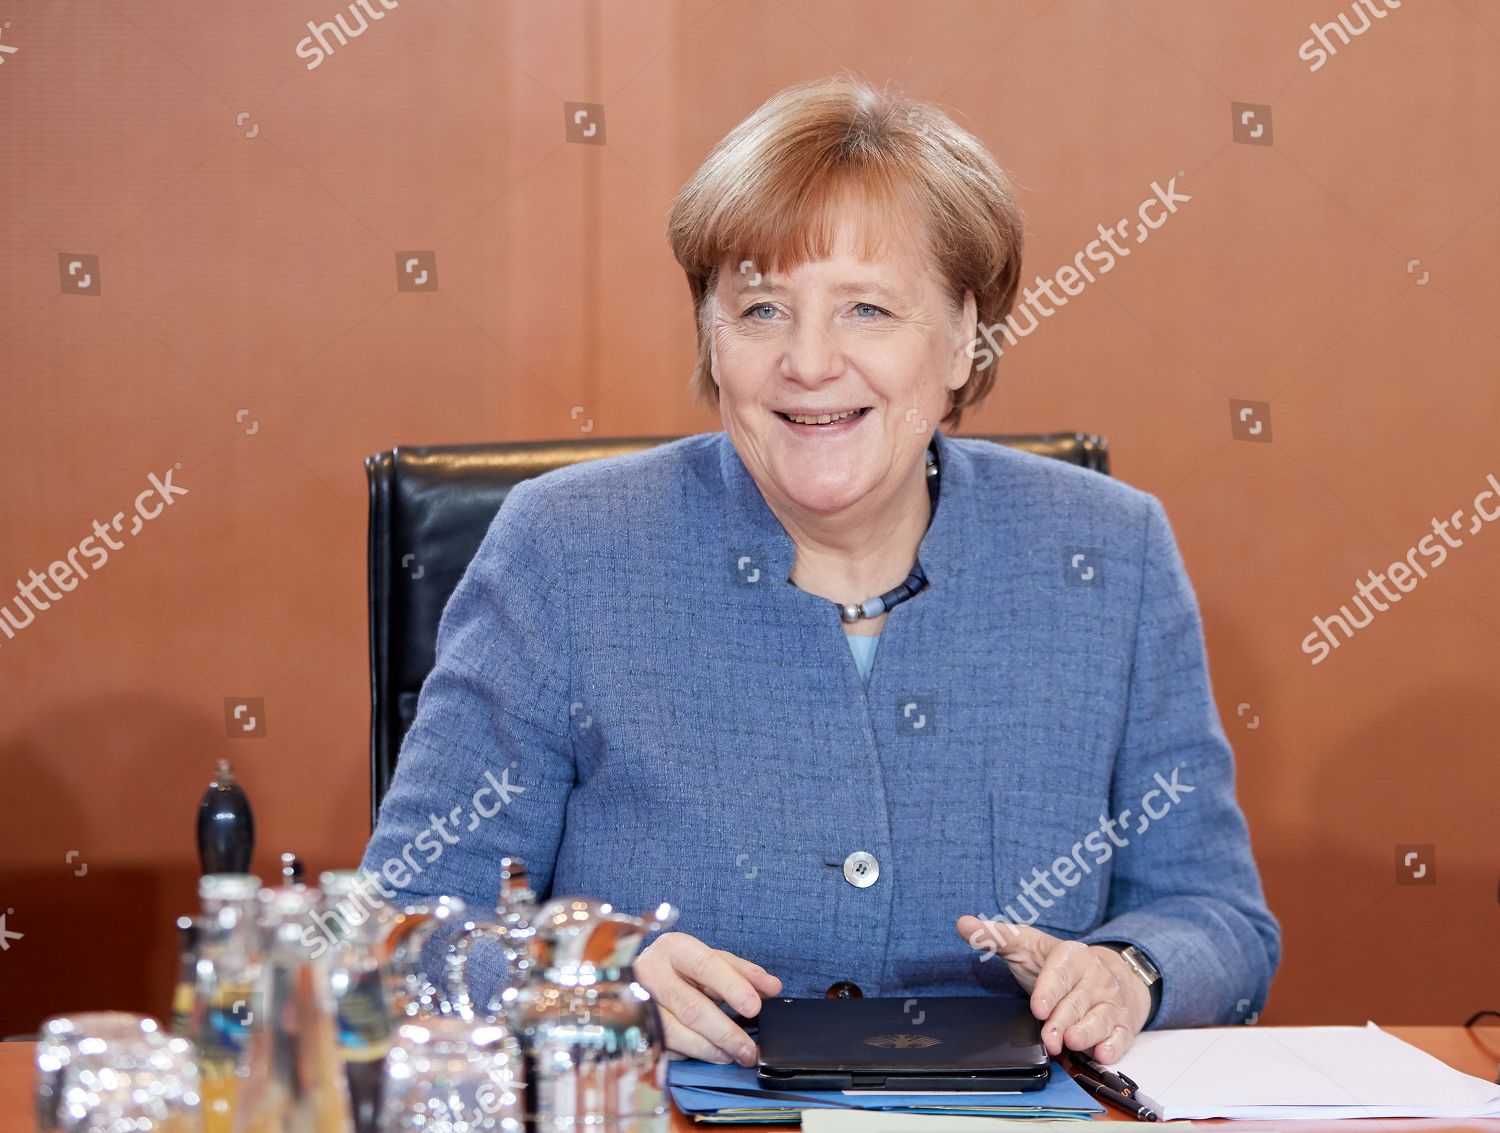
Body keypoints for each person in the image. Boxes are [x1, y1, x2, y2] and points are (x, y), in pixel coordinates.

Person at [361, 74, 1279, 1071]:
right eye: (760, 309)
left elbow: (1218, 916)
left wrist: (1129, 970)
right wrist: (591, 971)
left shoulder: (1110, 551)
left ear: (966, 335)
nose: (807, 361)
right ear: (712, 333)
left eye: (867, 309)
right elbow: (398, 929)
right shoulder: (566, 547)